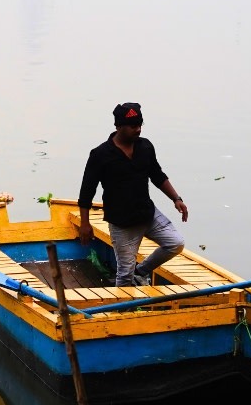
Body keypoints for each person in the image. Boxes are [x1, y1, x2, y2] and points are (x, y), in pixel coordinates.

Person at [77, 102, 188, 286]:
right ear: (118, 126)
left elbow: (158, 175)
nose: (138, 130)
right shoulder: (100, 154)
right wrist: (85, 223)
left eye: (140, 125)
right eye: (133, 126)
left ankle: (141, 271)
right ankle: (124, 310)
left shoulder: (145, 147)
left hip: (148, 214)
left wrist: (176, 199)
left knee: (175, 243)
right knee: (124, 276)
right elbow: (86, 192)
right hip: (122, 224)